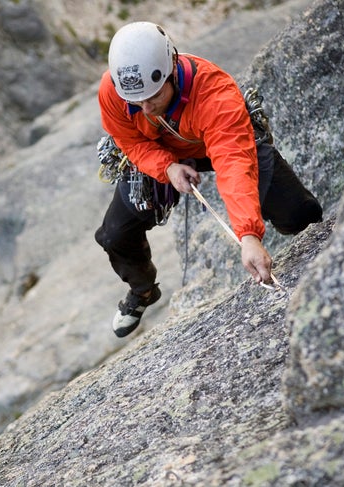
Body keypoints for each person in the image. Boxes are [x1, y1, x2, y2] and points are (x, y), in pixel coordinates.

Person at [95, 21, 322, 337]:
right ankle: (143, 290)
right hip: (163, 152)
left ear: (173, 68)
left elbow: (233, 162)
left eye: (154, 96)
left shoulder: (215, 94)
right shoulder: (115, 90)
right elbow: (130, 141)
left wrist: (248, 235)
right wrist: (167, 167)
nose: (146, 108)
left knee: (301, 215)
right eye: (137, 101)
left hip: (221, 139)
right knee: (114, 235)